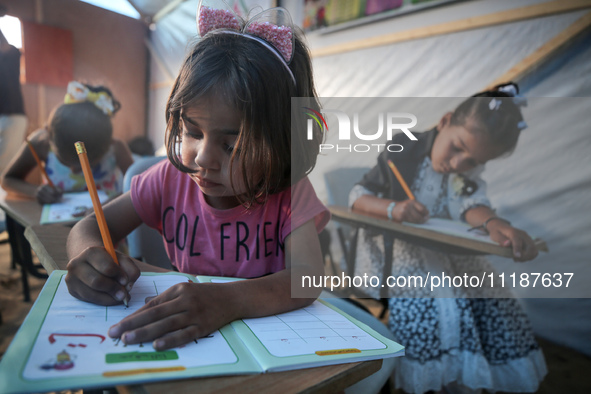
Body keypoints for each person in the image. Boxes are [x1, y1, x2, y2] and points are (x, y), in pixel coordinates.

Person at [64, 3, 330, 354]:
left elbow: (306, 279)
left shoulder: (290, 194)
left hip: (266, 345)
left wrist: (228, 300)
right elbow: (87, 229)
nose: (202, 158)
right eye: (191, 131)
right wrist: (88, 258)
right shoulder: (167, 180)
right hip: (187, 344)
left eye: (232, 144)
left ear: (284, 143)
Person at [349, 83, 547, 393]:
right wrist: (393, 208)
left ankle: (468, 375)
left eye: (471, 162)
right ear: (445, 121)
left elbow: (469, 204)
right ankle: (434, 378)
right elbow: (358, 196)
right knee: (442, 297)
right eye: (456, 147)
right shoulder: (404, 147)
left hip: (445, 247)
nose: (457, 164)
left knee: (491, 294)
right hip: (397, 249)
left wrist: (494, 223)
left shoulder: (465, 170)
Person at [1, 81, 134, 203]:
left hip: (105, 222)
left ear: (109, 143)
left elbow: (138, 189)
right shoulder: (41, 142)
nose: (74, 170)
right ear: (49, 136)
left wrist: (112, 205)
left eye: (87, 164)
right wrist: (35, 192)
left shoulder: (117, 148)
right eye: (64, 161)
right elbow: (7, 180)